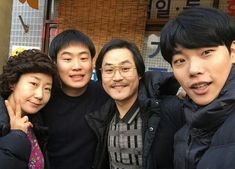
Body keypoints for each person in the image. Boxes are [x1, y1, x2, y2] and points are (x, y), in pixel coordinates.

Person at [86, 39, 185, 169]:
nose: (117, 77)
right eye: (109, 70)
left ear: (139, 73)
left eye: (125, 68)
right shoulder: (104, 117)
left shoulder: (170, 110)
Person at [160, 6, 235, 169]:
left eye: (206, 52)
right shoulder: (184, 129)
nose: (193, 70)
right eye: (180, 60)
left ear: (233, 51)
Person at [40, 29, 110, 169]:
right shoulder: (42, 97)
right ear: (54, 63)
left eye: (84, 58)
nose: (77, 66)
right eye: (67, 59)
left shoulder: (106, 96)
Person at [0, 49, 57, 169]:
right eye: (34, 84)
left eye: (47, 88)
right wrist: (16, 135)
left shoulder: (36, 121)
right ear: (13, 83)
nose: (40, 95)